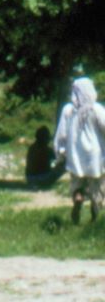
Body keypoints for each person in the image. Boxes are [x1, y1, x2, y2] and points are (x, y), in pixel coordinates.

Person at [54, 76, 105, 223]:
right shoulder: (96, 109)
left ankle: (78, 197)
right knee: (97, 187)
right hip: (95, 157)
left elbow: (61, 134)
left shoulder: (68, 110)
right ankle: (95, 215)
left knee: (77, 183)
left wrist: (61, 153)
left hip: (75, 156)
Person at [24, 126, 62, 190]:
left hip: (30, 178)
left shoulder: (32, 148)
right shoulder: (47, 150)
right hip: (41, 178)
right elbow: (54, 163)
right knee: (62, 165)